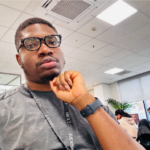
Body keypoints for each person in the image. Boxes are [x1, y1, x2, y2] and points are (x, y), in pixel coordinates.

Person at [0, 17, 144, 150]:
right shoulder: (4, 108)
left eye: (52, 42)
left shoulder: (99, 108)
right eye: (31, 44)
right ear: (19, 60)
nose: (45, 49)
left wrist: (85, 102)